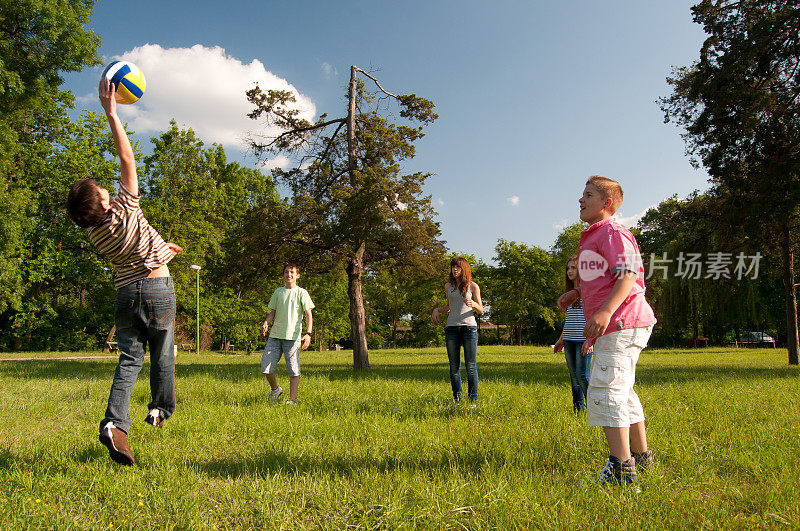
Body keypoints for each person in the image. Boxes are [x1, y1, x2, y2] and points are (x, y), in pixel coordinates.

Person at [67, 79, 182, 466]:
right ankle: (159, 410)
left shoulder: (97, 235)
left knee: (130, 359)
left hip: (127, 293)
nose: (107, 189)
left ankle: (115, 423)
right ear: (102, 201)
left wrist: (163, 250)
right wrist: (112, 112)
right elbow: (128, 161)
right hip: (157, 289)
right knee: (162, 354)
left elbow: (135, 254)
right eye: (102, 189)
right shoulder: (125, 209)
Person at [558, 175, 656, 487]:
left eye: (588, 195)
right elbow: (603, 279)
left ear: (607, 203)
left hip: (622, 322)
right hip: (621, 322)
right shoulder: (594, 235)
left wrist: (604, 311)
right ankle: (641, 457)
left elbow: (628, 275)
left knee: (605, 390)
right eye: (581, 194)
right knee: (622, 389)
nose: (580, 200)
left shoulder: (613, 231)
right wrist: (577, 294)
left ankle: (621, 469)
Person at [431, 257, 484, 404]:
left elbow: (481, 310)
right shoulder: (448, 286)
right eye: (453, 267)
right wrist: (437, 309)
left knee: (471, 366)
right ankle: (458, 400)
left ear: (464, 269)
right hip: (451, 329)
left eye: (458, 267)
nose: (455, 269)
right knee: (454, 367)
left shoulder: (473, 286)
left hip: (469, 329)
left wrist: (473, 303)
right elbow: (449, 306)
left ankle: (472, 401)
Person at [260, 263, 315, 406]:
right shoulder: (278, 292)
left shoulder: (302, 293)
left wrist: (308, 334)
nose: (288, 274)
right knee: (266, 367)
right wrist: (266, 322)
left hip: (292, 337)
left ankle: (292, 400)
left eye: (292, 272)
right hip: (275, 336)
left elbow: (308, 315)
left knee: (293, 369)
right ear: (283, 275)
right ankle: (275, 389)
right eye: (286, 272)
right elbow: (273, 312)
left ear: (298, 275)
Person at [554, 256, 593, 413]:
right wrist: (561, 339)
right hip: (569, 339)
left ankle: (595, 411)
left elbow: (593, 317)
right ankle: (579, 411)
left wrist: (590, 340)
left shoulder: (589, 291)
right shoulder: (569, 293)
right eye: (568, 268)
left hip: (583, 340)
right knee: (574, 378)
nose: (570, 271)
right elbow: (570, 318)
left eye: (573, 268)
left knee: (582, 376)